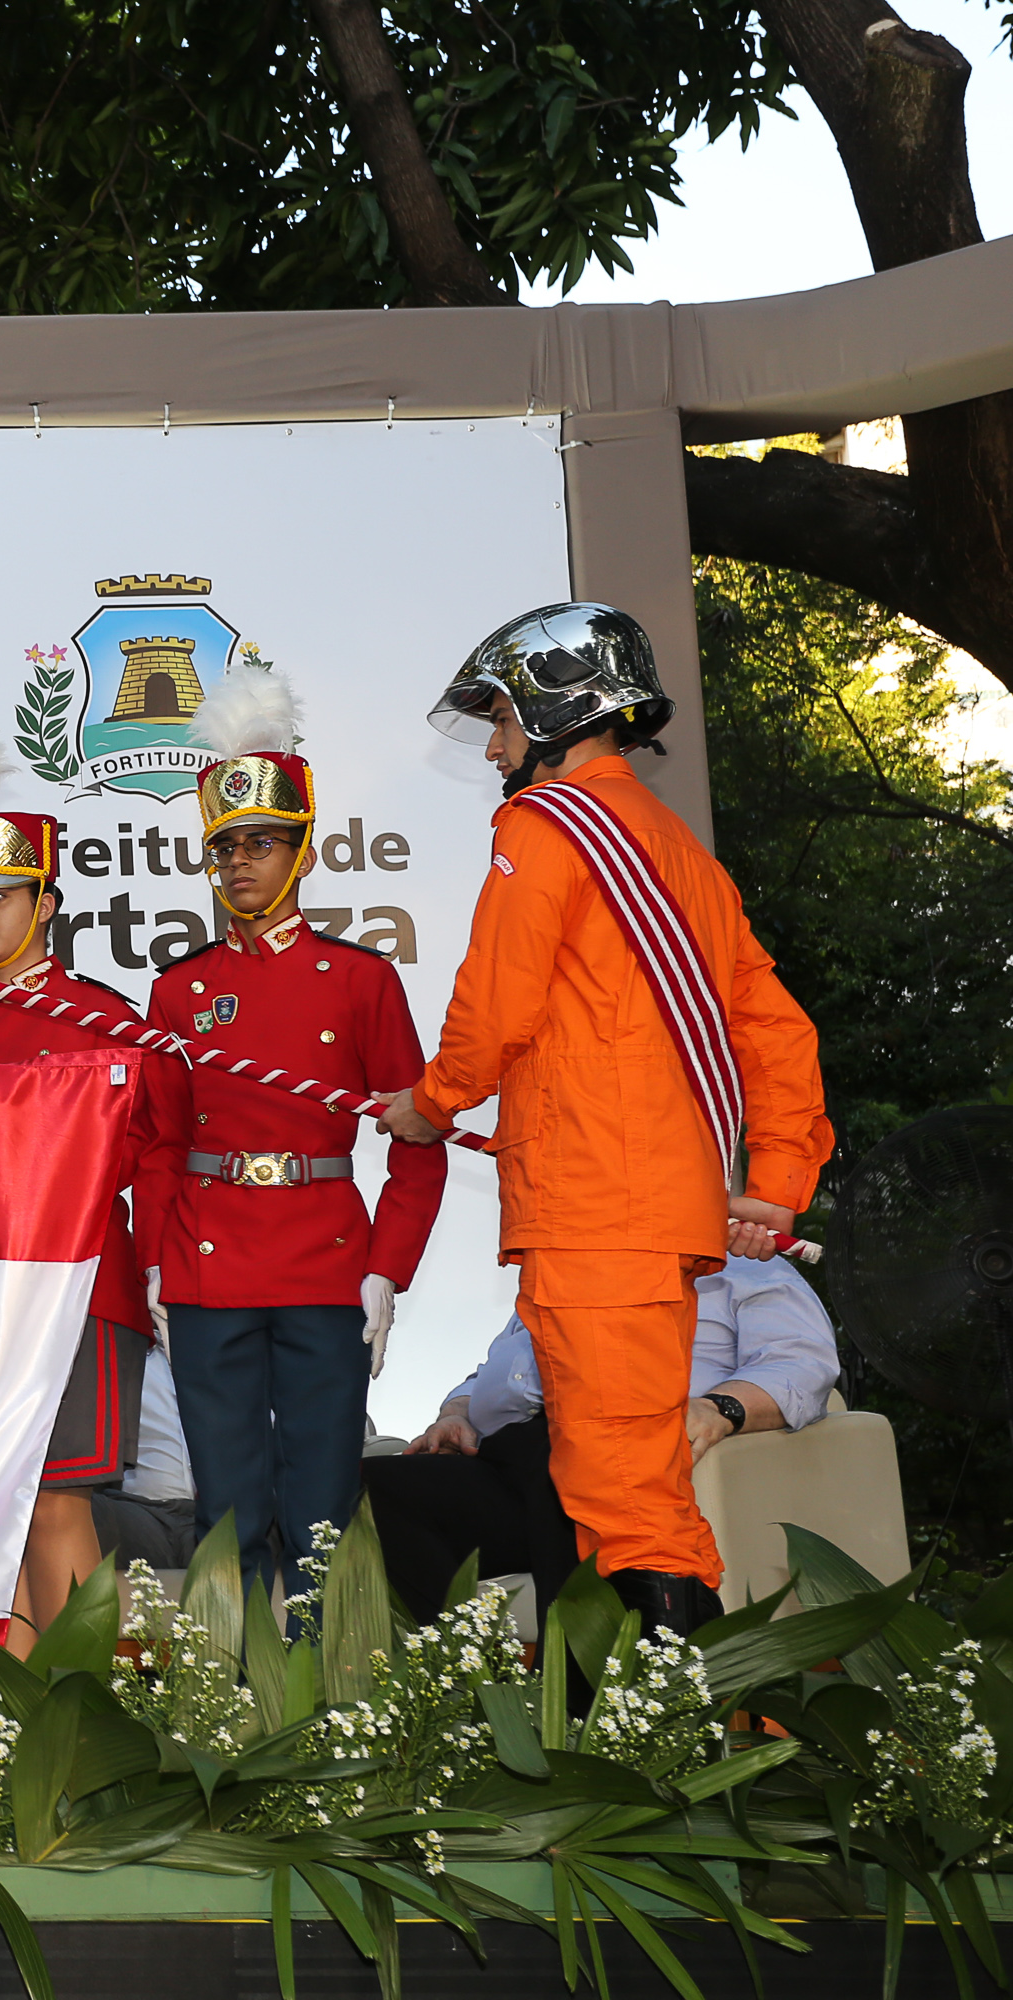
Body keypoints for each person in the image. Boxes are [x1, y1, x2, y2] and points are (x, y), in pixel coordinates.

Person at [377, 603, 830, 1638]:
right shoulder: (675, 844)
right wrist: (779, 1178)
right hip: (656, 1218)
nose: (493, 745)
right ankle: (664, 1729)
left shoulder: (547, 829)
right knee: (624, 1488)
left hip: (597, 1213)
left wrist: (428, 1103)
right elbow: (776, 1028)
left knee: (623, 1496)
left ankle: (689, 1746)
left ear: (553, 708)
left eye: (499, 718)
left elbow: (495, 1005)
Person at [138, 668, 446, 1599]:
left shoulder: (361, 982)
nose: (239, 864)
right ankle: (233, 1710)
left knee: (323, 1504)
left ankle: (326, 1700)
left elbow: (420, 1138)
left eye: (263, 844)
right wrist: (155, 1257)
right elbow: (158, 1141)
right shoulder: (178, 989)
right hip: (209, 1263)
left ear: (304, 852)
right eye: (225, 847)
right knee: (225, 1507)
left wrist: (388, 1266)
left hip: (324, 1260)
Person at [0, 806, 178, 1645]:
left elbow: (160, 1148)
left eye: (0, 895)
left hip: (80, 1292)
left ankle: (82, 1717)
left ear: (48, 903)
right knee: (0, 1505)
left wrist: (165, 1267)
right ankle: (19, 1725)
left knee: (58, 1498)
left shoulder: (105, 1020)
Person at [362, 1254, 838, 1623]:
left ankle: (581, 1715)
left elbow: (802, 1364)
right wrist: (458, 1411)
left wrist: (719, 1408)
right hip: (510, 1461)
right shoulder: (560, 1269)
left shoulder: (745, 1267)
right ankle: (449, 1692)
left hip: (627, 1458)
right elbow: (501, 1369)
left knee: (570, 1462)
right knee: (368, 1487)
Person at [91, 1344, 200, 1576]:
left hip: (229, 1513)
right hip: (139, 1513)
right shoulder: (114, 1350)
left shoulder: (247, 1351)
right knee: (69, 1507)